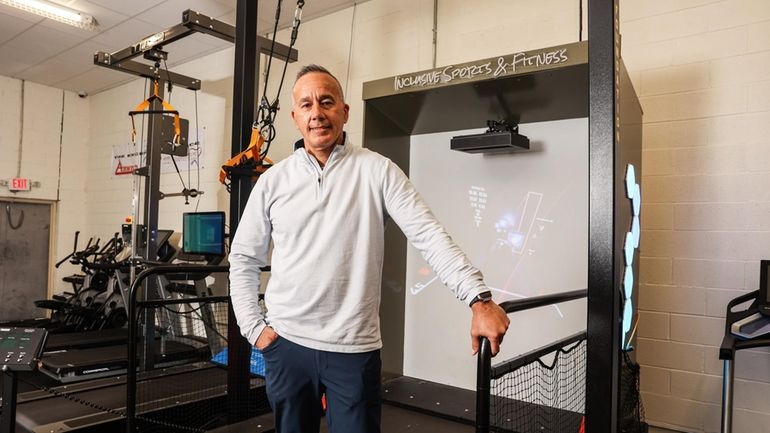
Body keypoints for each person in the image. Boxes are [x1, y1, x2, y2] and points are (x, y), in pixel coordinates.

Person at [229, 64, 510, 433]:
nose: (317, 113)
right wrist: (255, 330)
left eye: (327, 102)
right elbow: (244, 258)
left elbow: (429, 235)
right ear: (295, 117)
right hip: (287, 346)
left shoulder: (379, 171)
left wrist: (480, 299)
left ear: (344, 112)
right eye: (307, 105)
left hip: (354, 351)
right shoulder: (273, 181)